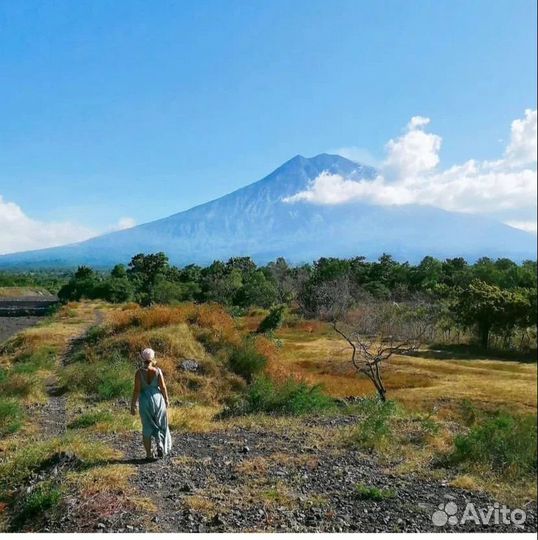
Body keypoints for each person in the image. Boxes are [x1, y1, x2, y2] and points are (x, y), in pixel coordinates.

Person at [130, 348, 172, 459]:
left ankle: (148, 454)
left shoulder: (139, 373)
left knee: (147, 427)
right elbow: (163, 387)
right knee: (161, 424)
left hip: (145, 401)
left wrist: (133, 405)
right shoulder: (158, 371)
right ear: (153, 358)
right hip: (158, 399)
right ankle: (160, 445)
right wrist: (166, 399)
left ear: (142, 359)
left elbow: (136, 390)